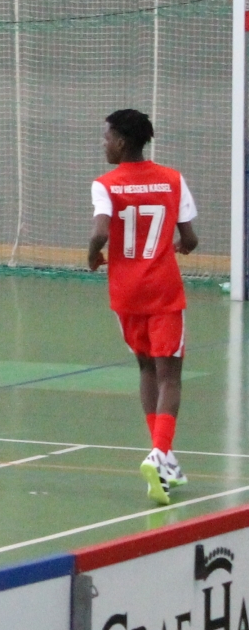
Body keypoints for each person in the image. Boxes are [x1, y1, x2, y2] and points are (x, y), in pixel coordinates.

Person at [88, 109, 198, 506]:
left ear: (121, 142)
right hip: (163, 291)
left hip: (126, 294)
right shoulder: (173, 179)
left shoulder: (105, 184)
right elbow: (190, 238)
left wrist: (92, 255)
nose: (103, 143)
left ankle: (164, 461)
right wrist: (183, 245)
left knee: (146, 368)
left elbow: (101, 232)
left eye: (106, 137)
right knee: (171, 377)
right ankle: (159, 455)